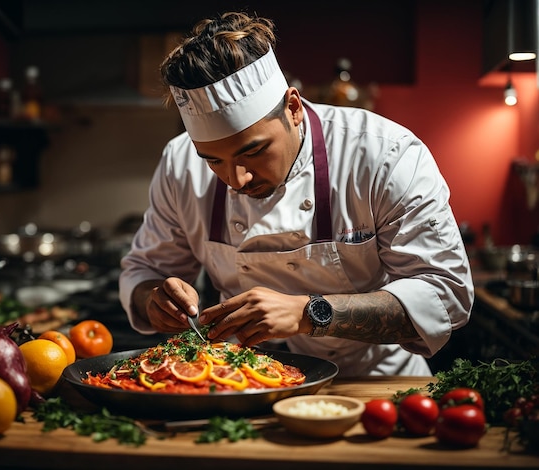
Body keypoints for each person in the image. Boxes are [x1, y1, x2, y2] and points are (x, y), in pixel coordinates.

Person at [119, 11, 474, 377]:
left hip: (371, 384)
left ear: (293, 108)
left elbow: (446, 295)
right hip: (242, 383)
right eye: (213, 160)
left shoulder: (385, 155)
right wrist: (155, 300)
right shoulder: (180, 165)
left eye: (253, 151)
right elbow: (146, 272)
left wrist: (310, 314)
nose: (236, 179)